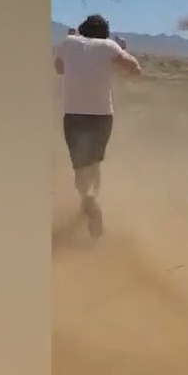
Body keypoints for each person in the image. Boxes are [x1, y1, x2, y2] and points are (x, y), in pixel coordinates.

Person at [53, 14, 141, 238]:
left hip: (74, 116)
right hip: (102, 117)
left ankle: (88, 200)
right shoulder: (109, 46)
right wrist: (121, 50)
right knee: (95, 163)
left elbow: (59, 69)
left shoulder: (68, 42)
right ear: (105, 33)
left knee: (80, 166)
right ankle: (93, 200)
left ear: (82, 29)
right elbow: (135, 69)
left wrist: (71, 40)